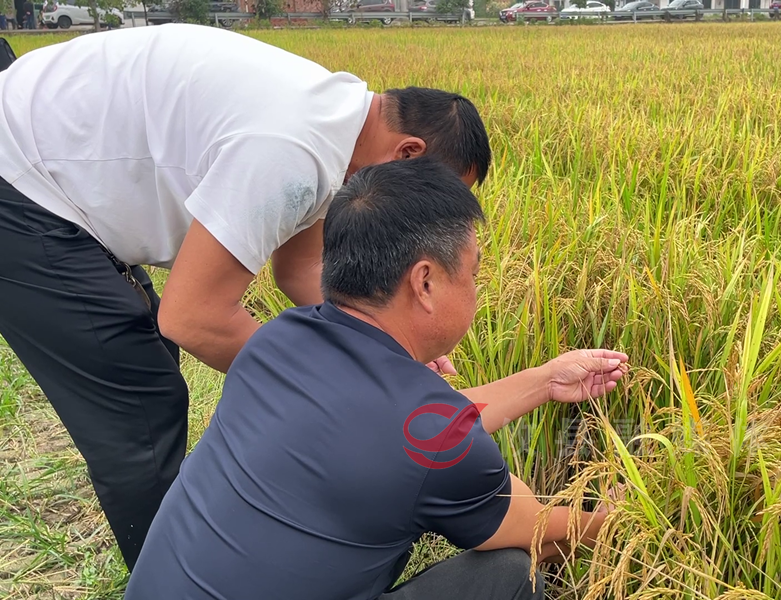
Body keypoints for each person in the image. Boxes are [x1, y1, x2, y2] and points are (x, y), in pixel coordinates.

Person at [0, 24, 492, 571]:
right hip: (22, 178)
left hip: (54, 164)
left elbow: (303, 267)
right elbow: (192, 316)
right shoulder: (292, 148)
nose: (432, 220)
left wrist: (383, 350)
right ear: (408, 153)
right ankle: (179, 578)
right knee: (139, 407)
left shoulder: (338, 126)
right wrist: (331, 386)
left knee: (145, 364)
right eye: (436, 198)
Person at [125, 157, 628, 600]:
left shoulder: (278, 340)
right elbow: (538, 529)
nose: (477, 287)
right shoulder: (432, 436)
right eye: (473, 273)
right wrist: (618, 521)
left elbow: (417, 433)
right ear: (425, 283)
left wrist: (545, 380)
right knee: (512, 575)